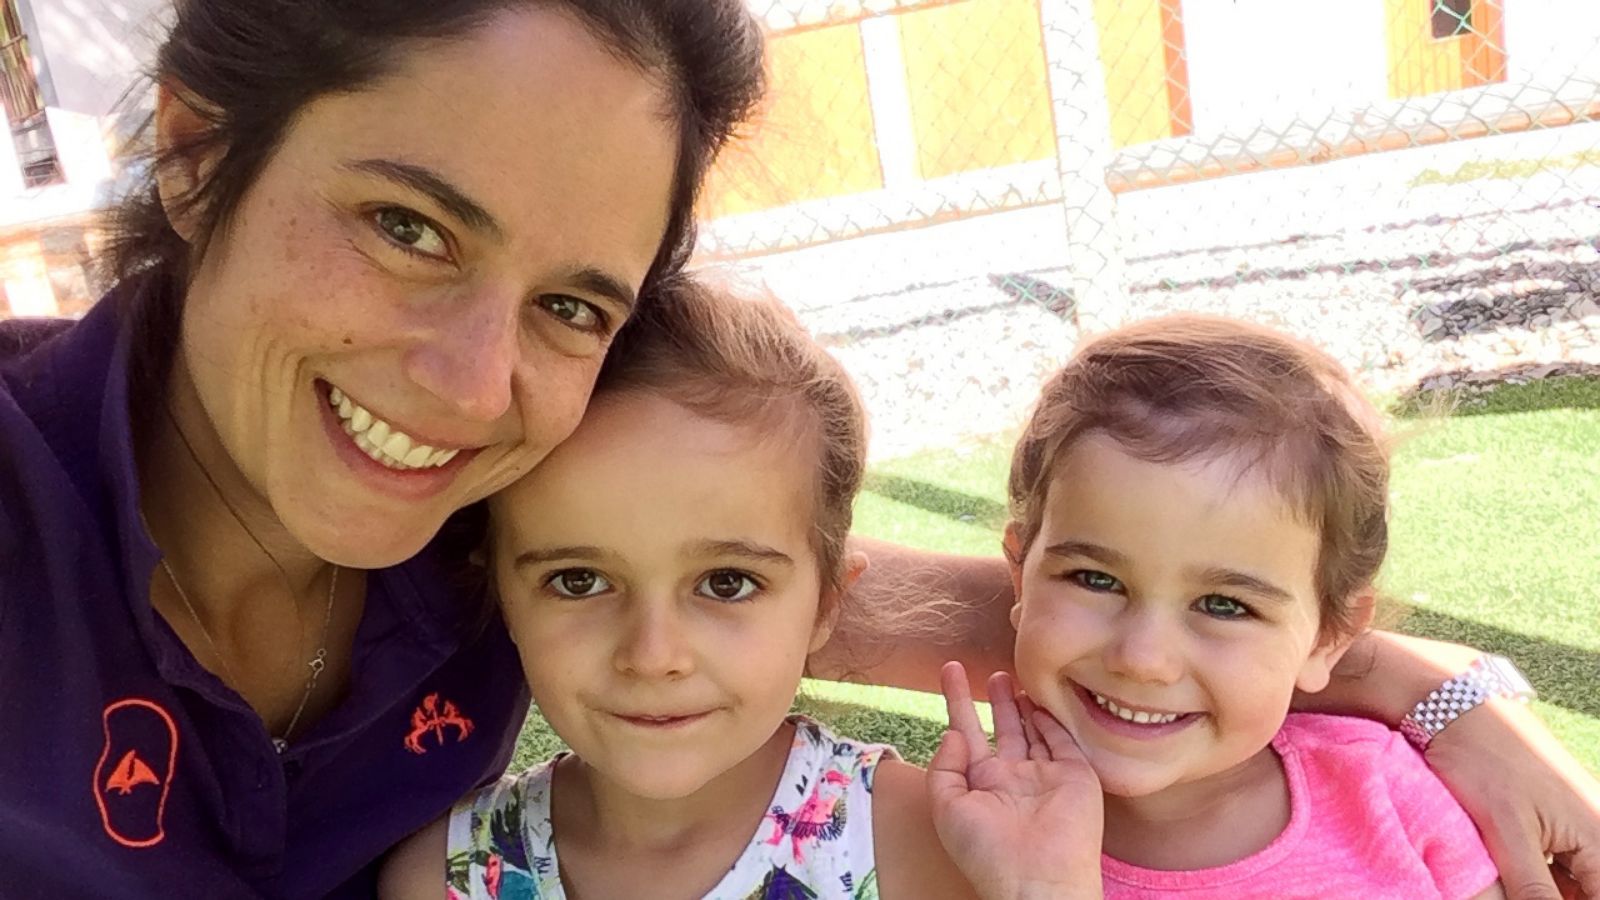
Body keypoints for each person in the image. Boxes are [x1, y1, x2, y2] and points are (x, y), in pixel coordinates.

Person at [0, 0, 1596, 897]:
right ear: (199, 152)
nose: (473, 381)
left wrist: (1416, 685)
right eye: (407, 225)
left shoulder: (486, 527)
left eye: (571, 301)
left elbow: (926, 603)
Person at [380, 277, 988, 899]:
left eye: (726, 583)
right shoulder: (445, 880)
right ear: (503, 593)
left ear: (827, 600)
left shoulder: (927, 848)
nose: (652, 656)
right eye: (579, 580)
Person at [931, 315, 1505, 898]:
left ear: (1329, 635)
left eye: (1225, 606)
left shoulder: (1383, 795)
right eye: (1095, 579)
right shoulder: (975, 835)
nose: (1143, 659)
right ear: (1020, 576)